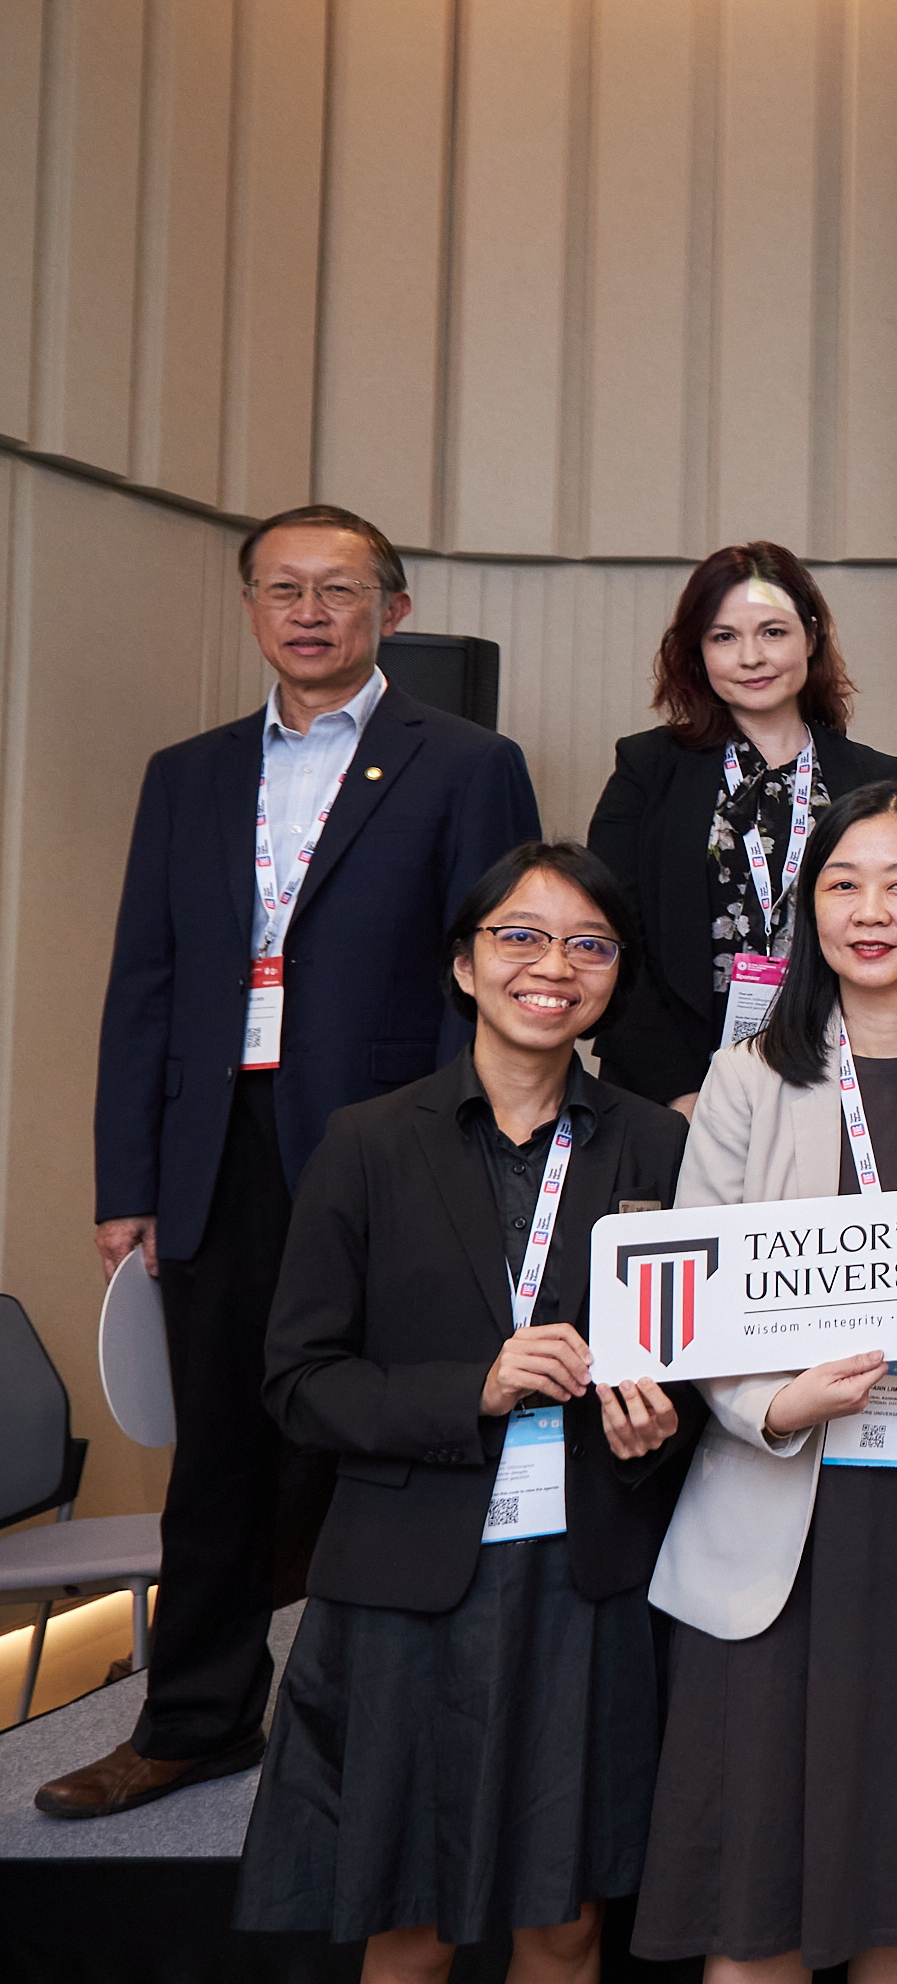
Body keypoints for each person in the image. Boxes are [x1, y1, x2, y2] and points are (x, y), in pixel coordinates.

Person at [53, 504, 542, 1823]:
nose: (310, 610)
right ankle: (194, 1720)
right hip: (218, 1151)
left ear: (393, 606)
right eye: (284, 588)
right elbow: (144, 983)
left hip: (394, 1152)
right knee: (217, 1450)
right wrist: (127, 1181)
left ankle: (402, 1733)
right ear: (254, 606)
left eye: (340, 589)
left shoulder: (464, 760)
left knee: (391, 1444)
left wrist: (475, 1156)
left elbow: (497, 969)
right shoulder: (188, 774)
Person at [232, 843, 695, 1980]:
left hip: (583, 1575)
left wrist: (653, 1426)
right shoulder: (368, 1141)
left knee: (567, 1918)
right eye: (520, 937)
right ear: (464, 963)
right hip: (407, 1578)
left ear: (614, 974)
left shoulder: (658, 1145)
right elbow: (297, 1378)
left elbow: (686, 1357)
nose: (554, 965)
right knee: (409, 1916)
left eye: (589, 943)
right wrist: (472, 1387)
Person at [631, 783, 897, 1983]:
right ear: (807, 905)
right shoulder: (746, 1078)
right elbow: (690, 1299)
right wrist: (769, 1403)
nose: (869, 910)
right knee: (750, 1903)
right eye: (841, 882)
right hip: (778, 1527)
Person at [586, 544, 897, 1112]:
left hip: (835, 1081)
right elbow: (609, 936)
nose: (751, 657)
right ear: (697, 652)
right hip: (669, 1087)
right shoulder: (647, 769)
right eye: (724, 637)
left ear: (810, 637)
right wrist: (679, 1092)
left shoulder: (876, 778)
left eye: (773, 632)